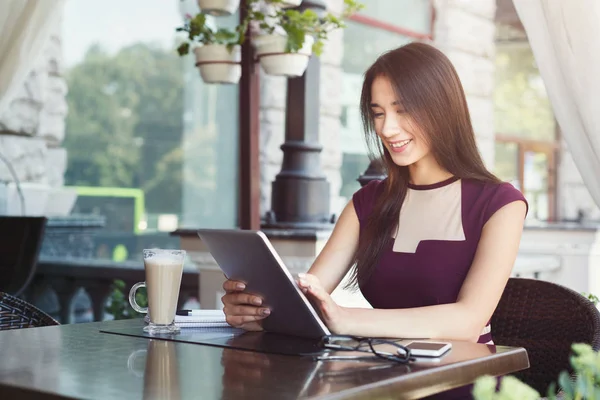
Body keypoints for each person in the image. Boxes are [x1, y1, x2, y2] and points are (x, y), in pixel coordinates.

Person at [221, 42, 528, 347]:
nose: (387, 129)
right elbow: (308, 305)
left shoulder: (500, 204)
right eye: (378, 113)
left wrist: (346, 318)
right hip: (382, 374)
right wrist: (256, 316)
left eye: (402, 110)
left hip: (463, 382)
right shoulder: (367, 202)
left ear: (443, 108)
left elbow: (467, 322)